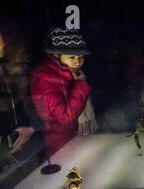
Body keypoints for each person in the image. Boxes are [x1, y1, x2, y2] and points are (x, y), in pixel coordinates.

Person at [31, 28, 97, 157]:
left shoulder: (68, 74)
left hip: (73, 138)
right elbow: (65, 118)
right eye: (71, 57)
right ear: (56, 55)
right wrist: (80, 85)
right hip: (60, 144)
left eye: (81, 57)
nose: (77, 61)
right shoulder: (46, 80)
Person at [0, 26, 42, 172]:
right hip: (5, 147)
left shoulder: (21, 64)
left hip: (32, 141)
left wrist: (33, 127)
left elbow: (38, 97)